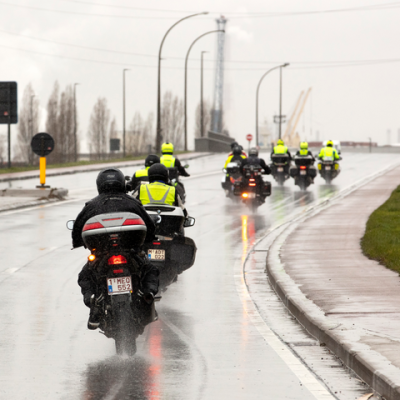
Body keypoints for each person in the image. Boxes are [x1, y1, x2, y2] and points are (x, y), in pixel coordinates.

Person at [72, 167, 159, 330]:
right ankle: (147, 294)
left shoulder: (92, 205)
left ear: (100, 184)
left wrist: (78, 242)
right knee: (150, 269)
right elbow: (148, 224)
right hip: (131, 252)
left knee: (86, 275)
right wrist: (149, 239)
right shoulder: (132, 201)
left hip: (102, 254)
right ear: (121, 183)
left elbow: (78, 226)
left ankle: (93, 302)